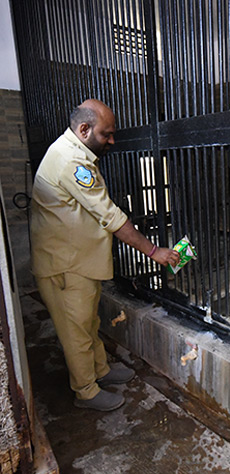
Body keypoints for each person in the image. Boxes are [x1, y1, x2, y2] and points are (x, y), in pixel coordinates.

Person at [30, 99, 181, 412]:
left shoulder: (74, 152)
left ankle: (101, 371)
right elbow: (111, 217)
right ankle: (85, 391)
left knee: (88, 322)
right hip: (64, 265)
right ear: (84, 129)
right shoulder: (72, 161)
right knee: (76, 332)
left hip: (79, 262)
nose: (112, 141)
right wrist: (154, 251)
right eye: (106, 134)